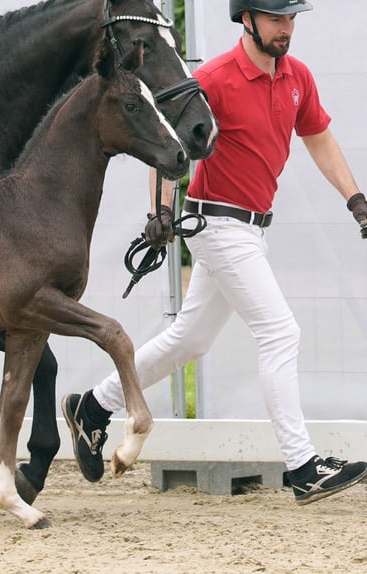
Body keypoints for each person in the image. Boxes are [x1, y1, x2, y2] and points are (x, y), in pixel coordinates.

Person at [61, 0, 367, 505]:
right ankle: (303, 465)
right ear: (247, 19)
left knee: (189, 340)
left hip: (250, 230)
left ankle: (93, 406)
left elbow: (318, 139)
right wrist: (161, 210)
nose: (286, 29)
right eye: (276, 19)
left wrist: (355, 199)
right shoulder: (218, 77)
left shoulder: (298, 77)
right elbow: (168, 138)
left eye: (291, 19)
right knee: (280, 331)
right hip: (217, 223)